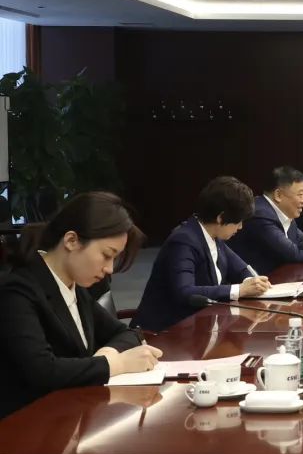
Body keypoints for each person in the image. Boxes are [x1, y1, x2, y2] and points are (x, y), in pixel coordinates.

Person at [0, 192, 162, 418]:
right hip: (26, 424)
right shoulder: (17, 291)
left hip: (71, 415)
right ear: (71, 241)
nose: (109, 269)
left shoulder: (75, 286)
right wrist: (115, 364)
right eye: (106, 255)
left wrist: (107, 353)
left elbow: (127, 333)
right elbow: (43, 371)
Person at [133, 177, 272, 332]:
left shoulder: (213, 235)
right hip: (165, 332)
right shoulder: (184, 241)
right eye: (238, 221)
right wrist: (240, 289)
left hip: (199, 325)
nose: (240, 227)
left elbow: (241, 269)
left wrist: (253, 281)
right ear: (221, 217)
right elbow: (185, 292)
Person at [227, 166, 303, 274]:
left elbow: (300, 237)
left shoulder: (283, 211)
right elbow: (292, 254)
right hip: (261, 280)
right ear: (278, 195)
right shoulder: (260, 215)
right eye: (300, 194)